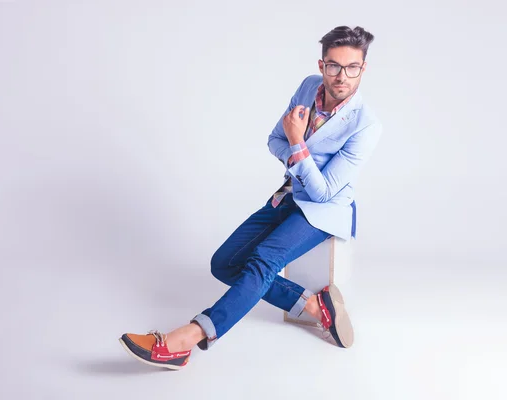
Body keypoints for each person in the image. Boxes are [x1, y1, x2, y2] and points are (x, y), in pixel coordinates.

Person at [119, 25, 382, 370]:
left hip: (325, 211)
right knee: (224, 263)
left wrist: (297, 142)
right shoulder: (307, 87)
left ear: (364, 69)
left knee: (263, 260)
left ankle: (183, 340)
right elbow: (275, 140)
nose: (341, 76)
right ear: (321, 66)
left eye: (352, 68)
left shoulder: (366, 125)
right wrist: (293, 146)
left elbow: (323, 191)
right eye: (334, 66)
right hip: (289, 194)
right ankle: (316, 308)